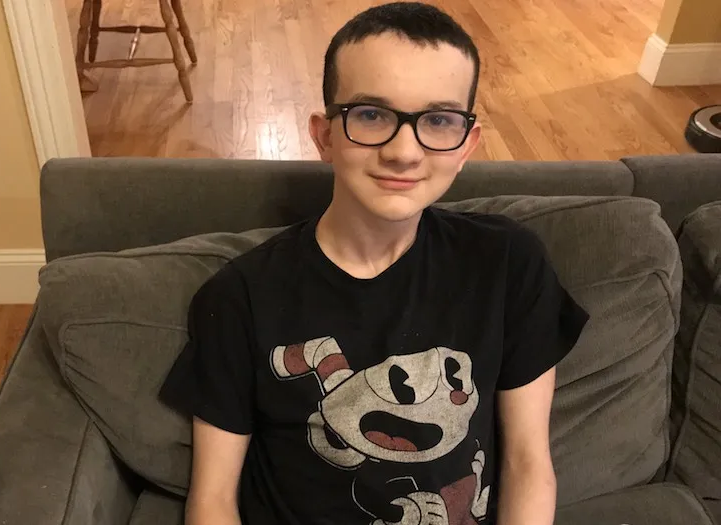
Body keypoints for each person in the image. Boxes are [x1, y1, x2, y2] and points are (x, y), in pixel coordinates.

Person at [159, 2, 589, 525]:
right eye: (371, 115)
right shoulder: (241, 296)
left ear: (466, 145)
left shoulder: (508, 264)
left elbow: (528, 463)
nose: (404, 152)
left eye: (438, 120)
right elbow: (212, 500)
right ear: (324, 136)